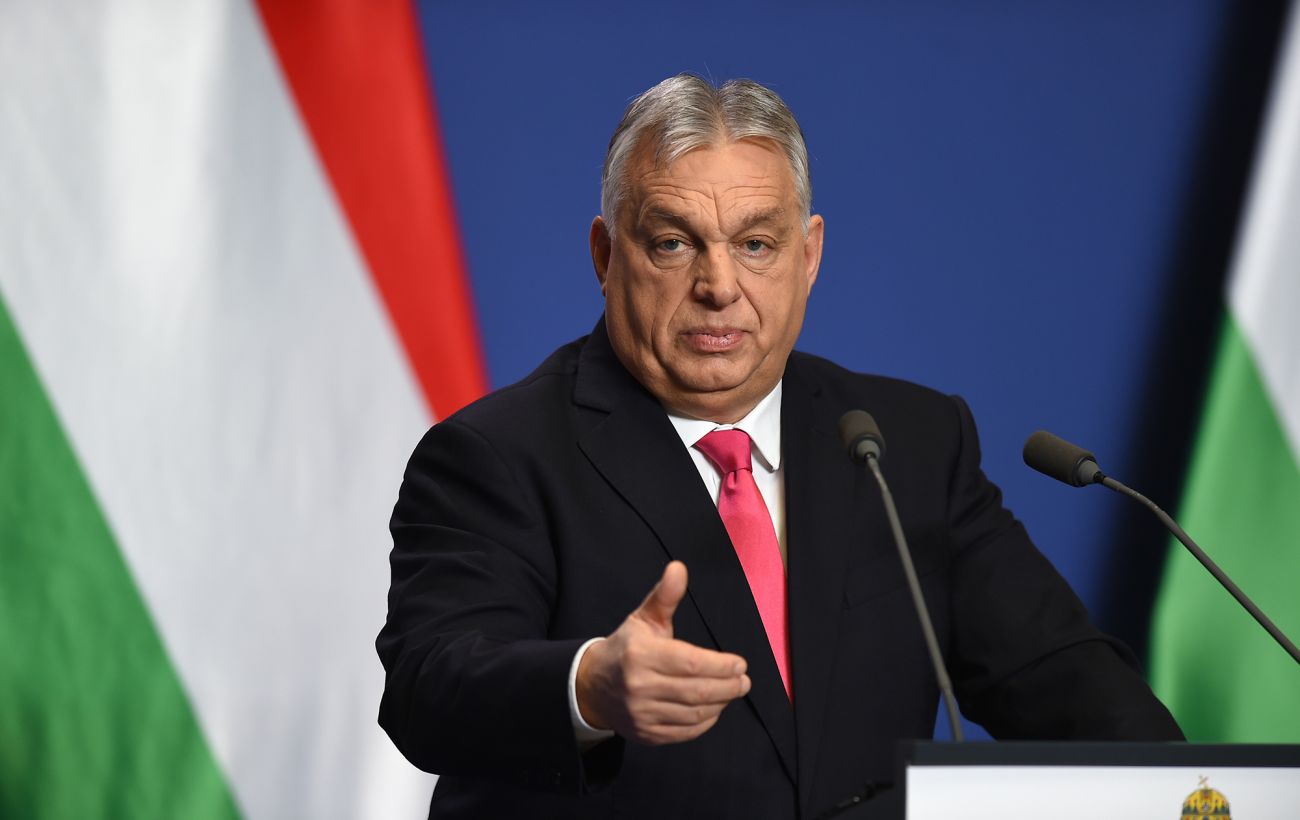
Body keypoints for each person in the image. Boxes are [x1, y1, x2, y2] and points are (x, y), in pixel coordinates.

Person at [376, 74, 1182, 819]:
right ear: (606, 255)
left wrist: (1194, 794)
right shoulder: (497, 455)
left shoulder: (906, 445)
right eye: (673, 243)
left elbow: (1065, 683)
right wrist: (590, 685)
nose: (719, 285)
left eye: (756, 244)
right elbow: (429, 687)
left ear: (809, 255)